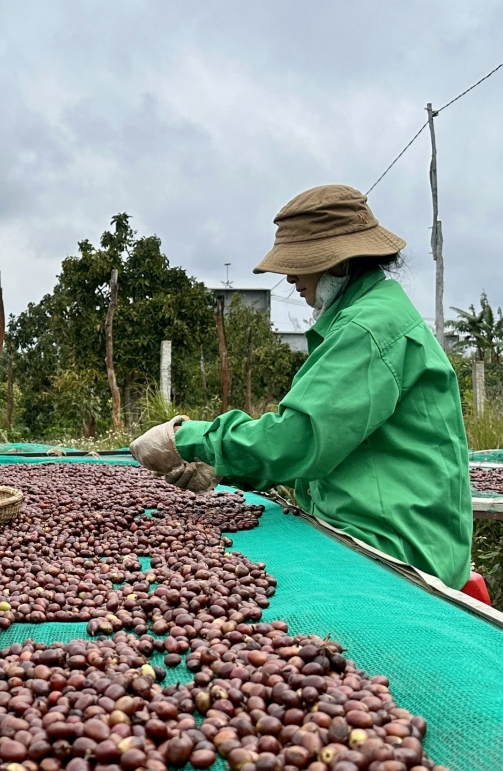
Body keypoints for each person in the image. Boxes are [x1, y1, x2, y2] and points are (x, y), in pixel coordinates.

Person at [130, 185, 472, 589]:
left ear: (342, 262)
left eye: (300, 263)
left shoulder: (367, 328)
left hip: (393, 546)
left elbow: (300, 439)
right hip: (392, 529)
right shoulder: (369, 314)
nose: (290, 276)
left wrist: (188, 439)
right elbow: (334, 450)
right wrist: (226, 467)